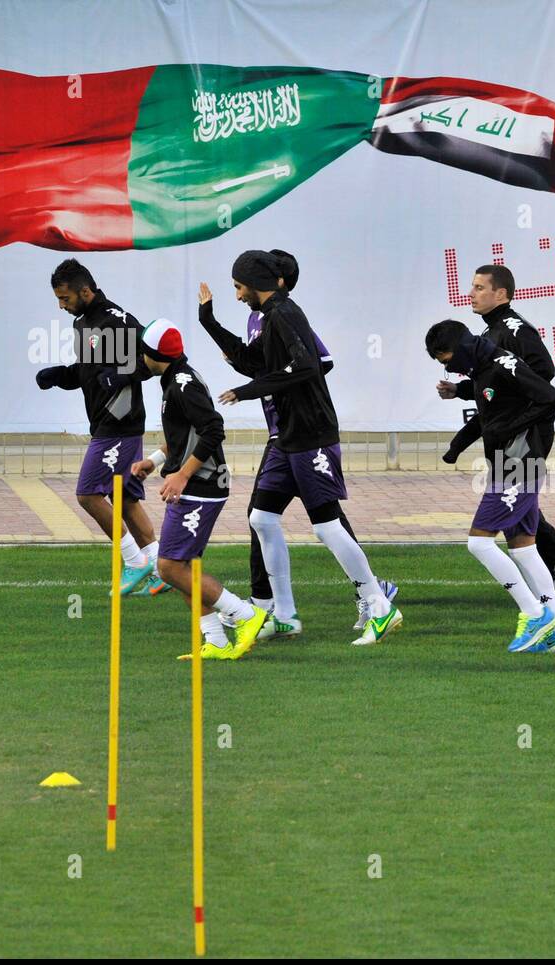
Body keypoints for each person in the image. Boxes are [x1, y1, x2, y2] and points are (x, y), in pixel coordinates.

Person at [198, 249, 396, 638]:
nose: (237, 296)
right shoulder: (268, 318)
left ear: (259, 285)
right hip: (285, 437)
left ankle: (378, 603)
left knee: (326, 525)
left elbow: (308, 366)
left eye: (239, 287)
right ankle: (284, 616)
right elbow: (249, 359)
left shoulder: (286, 314)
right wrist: (208, 320)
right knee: (261, 518)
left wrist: (250, 390)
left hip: (310, 434)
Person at [425, 319, 555, 652]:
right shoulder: (481, 369)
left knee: (478, 544)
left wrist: (510, 429)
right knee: (523, 548)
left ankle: (534, 614)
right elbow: (488, 419)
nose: (449, 368)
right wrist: (456, 447)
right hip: (507, 466)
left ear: (462, 348)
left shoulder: (502, 364)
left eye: (447, 360)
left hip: (519, 465)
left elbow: (550, 398)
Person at [438, 265, 555, 598]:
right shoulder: (491, 332)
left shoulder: (515, 329)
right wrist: (460, 391)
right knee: (516, 500)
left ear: (501, 294)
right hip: (507, 428)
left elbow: (541, 372)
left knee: (509, 497)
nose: (471, 293)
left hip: (526, 430)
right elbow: (492, 380)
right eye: (472, 286)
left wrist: (514, 412)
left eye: (479, 287)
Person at [128, 320, 267, 659]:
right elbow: (185, 433)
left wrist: (182, 476)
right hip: (199, 483)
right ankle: (216, 641)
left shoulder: (180, 385)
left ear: (153, 355)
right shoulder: (178, 377)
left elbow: (213, 429)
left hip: (200, 487)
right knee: (182, 567)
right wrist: (157, 460)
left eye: (142, 352)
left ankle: (245, 615)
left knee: (170, 567)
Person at [39, 259, 166, 597]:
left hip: (119, 424)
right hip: (106, 424)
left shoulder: (118, 321)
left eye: (65, 298)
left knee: (88, 494)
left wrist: (120, 374)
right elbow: (88, 373)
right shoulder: (83, 323)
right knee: (123, 499)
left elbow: (154, 361)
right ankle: (161, 569)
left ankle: (134, 561)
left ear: (85, 291)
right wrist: (61, 376)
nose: (61, 306)